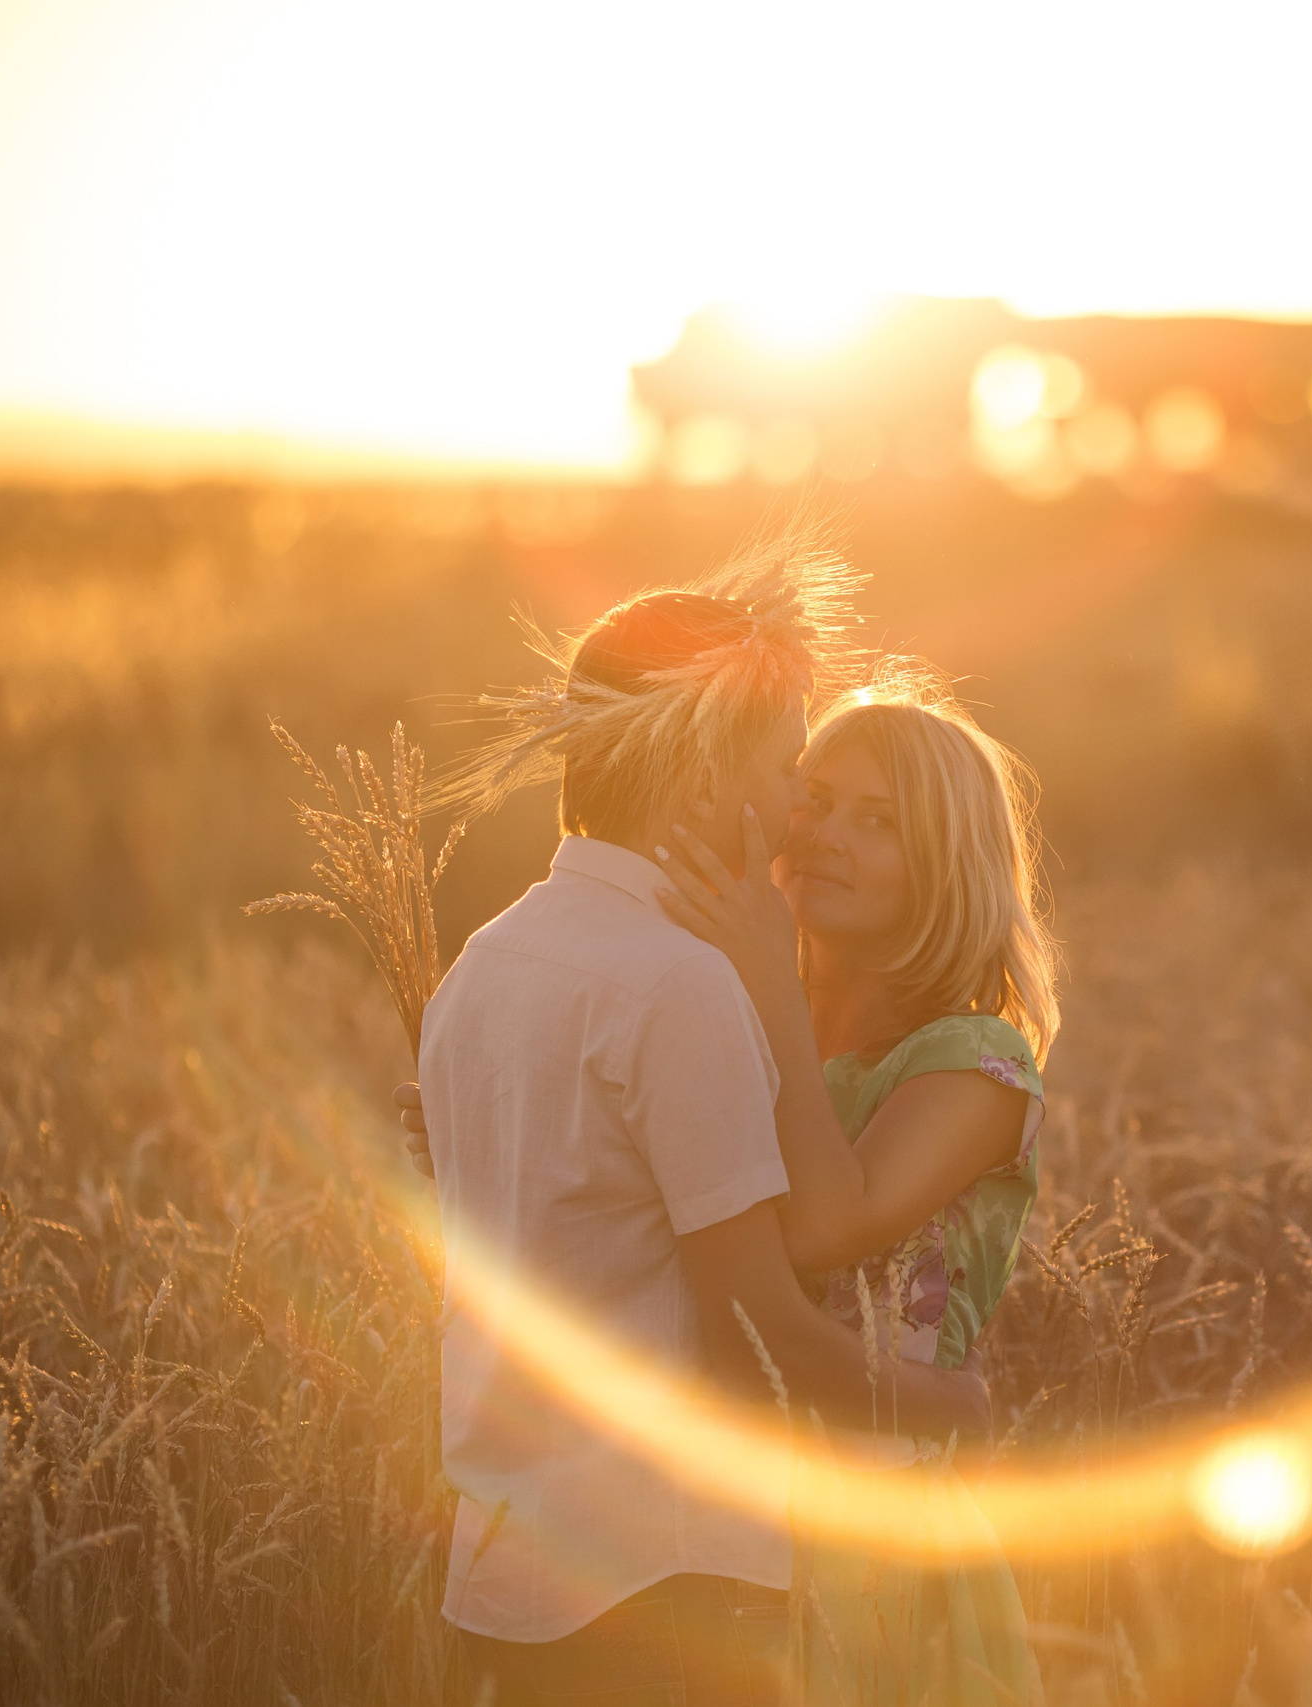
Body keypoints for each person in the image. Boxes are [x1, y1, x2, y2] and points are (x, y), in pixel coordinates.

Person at [404, 534, 989, 1707]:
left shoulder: (484, 963)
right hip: (660, 1576)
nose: (789, 819)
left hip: (506, 1563)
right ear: (703, 780)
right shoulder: (679, 989)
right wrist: (943, 1410)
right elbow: (752, 1335)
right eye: (783, 775)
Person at [647, 681, 1059, 1707]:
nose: (828, 835)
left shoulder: (973, 1064)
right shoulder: (729, 1026)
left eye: (879, 823)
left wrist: (767, 987)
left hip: (874, 1539)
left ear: (943, 869)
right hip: (699, 1518)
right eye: (816, 798)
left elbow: (829, 1224)